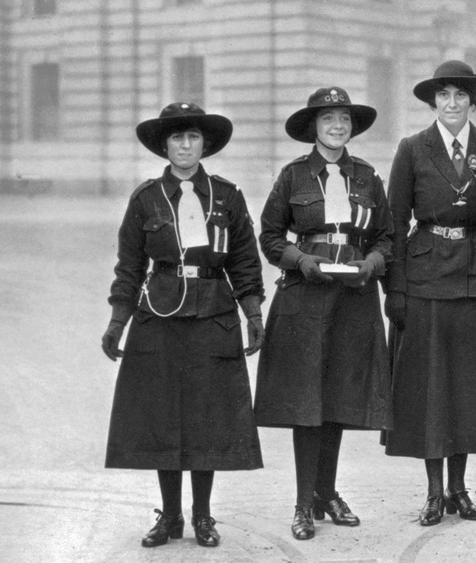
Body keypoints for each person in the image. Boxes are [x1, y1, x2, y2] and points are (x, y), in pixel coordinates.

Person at [101, 102, 265, 548]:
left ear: (204, 144)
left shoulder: (228, 197)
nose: (185, 146)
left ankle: (203, 517)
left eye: (193, 137)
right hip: (159, 318)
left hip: (214, 317)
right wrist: (118, 322)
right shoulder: (146, 198)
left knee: (207, 418)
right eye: (177, 138)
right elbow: (129, 267)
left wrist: (253, 315)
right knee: (163, 416)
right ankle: (170, 516)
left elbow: (246, 264)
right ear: (165, 146)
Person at [381, 60, 476, 526]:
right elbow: (395, 224)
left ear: (473, 102)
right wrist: (394, 288)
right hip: (424, 279)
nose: (452, 103)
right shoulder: (412, 149)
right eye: (444, 96)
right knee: (431, 389)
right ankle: (435, 493)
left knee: (467, 386)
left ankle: (460, 488)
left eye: (461, 95)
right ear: (433, 102)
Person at [254, 87, 392, 541]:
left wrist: (373, 263)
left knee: (336, 395)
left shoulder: (368, 177)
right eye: (328, 119)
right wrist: (299, 260)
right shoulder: (294, 177)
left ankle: (326, 493)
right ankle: (302, 503)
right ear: (313, 127)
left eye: (344, 120)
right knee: (306, 399)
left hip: (353, 296)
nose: (337, 127)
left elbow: (387, 237)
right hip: (305, 298)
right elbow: (270, 235)